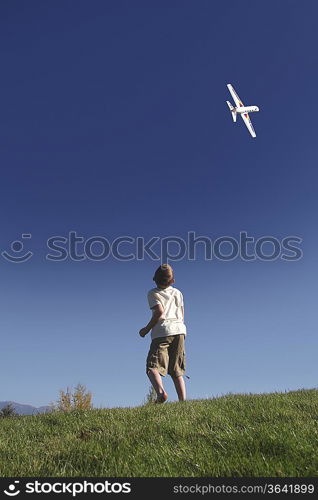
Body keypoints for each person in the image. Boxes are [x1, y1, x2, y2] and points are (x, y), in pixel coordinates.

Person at [139, 264, 187, 403]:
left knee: (152, 367)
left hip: (163, 331)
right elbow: (182, 314)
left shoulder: (153, 293)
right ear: (173, 281)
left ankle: (161, 393)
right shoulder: (178, 293)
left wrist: (146, 329)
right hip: (179, 330)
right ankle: (183, 402)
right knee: (176, 370)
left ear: (154, 279)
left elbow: (159, 313)